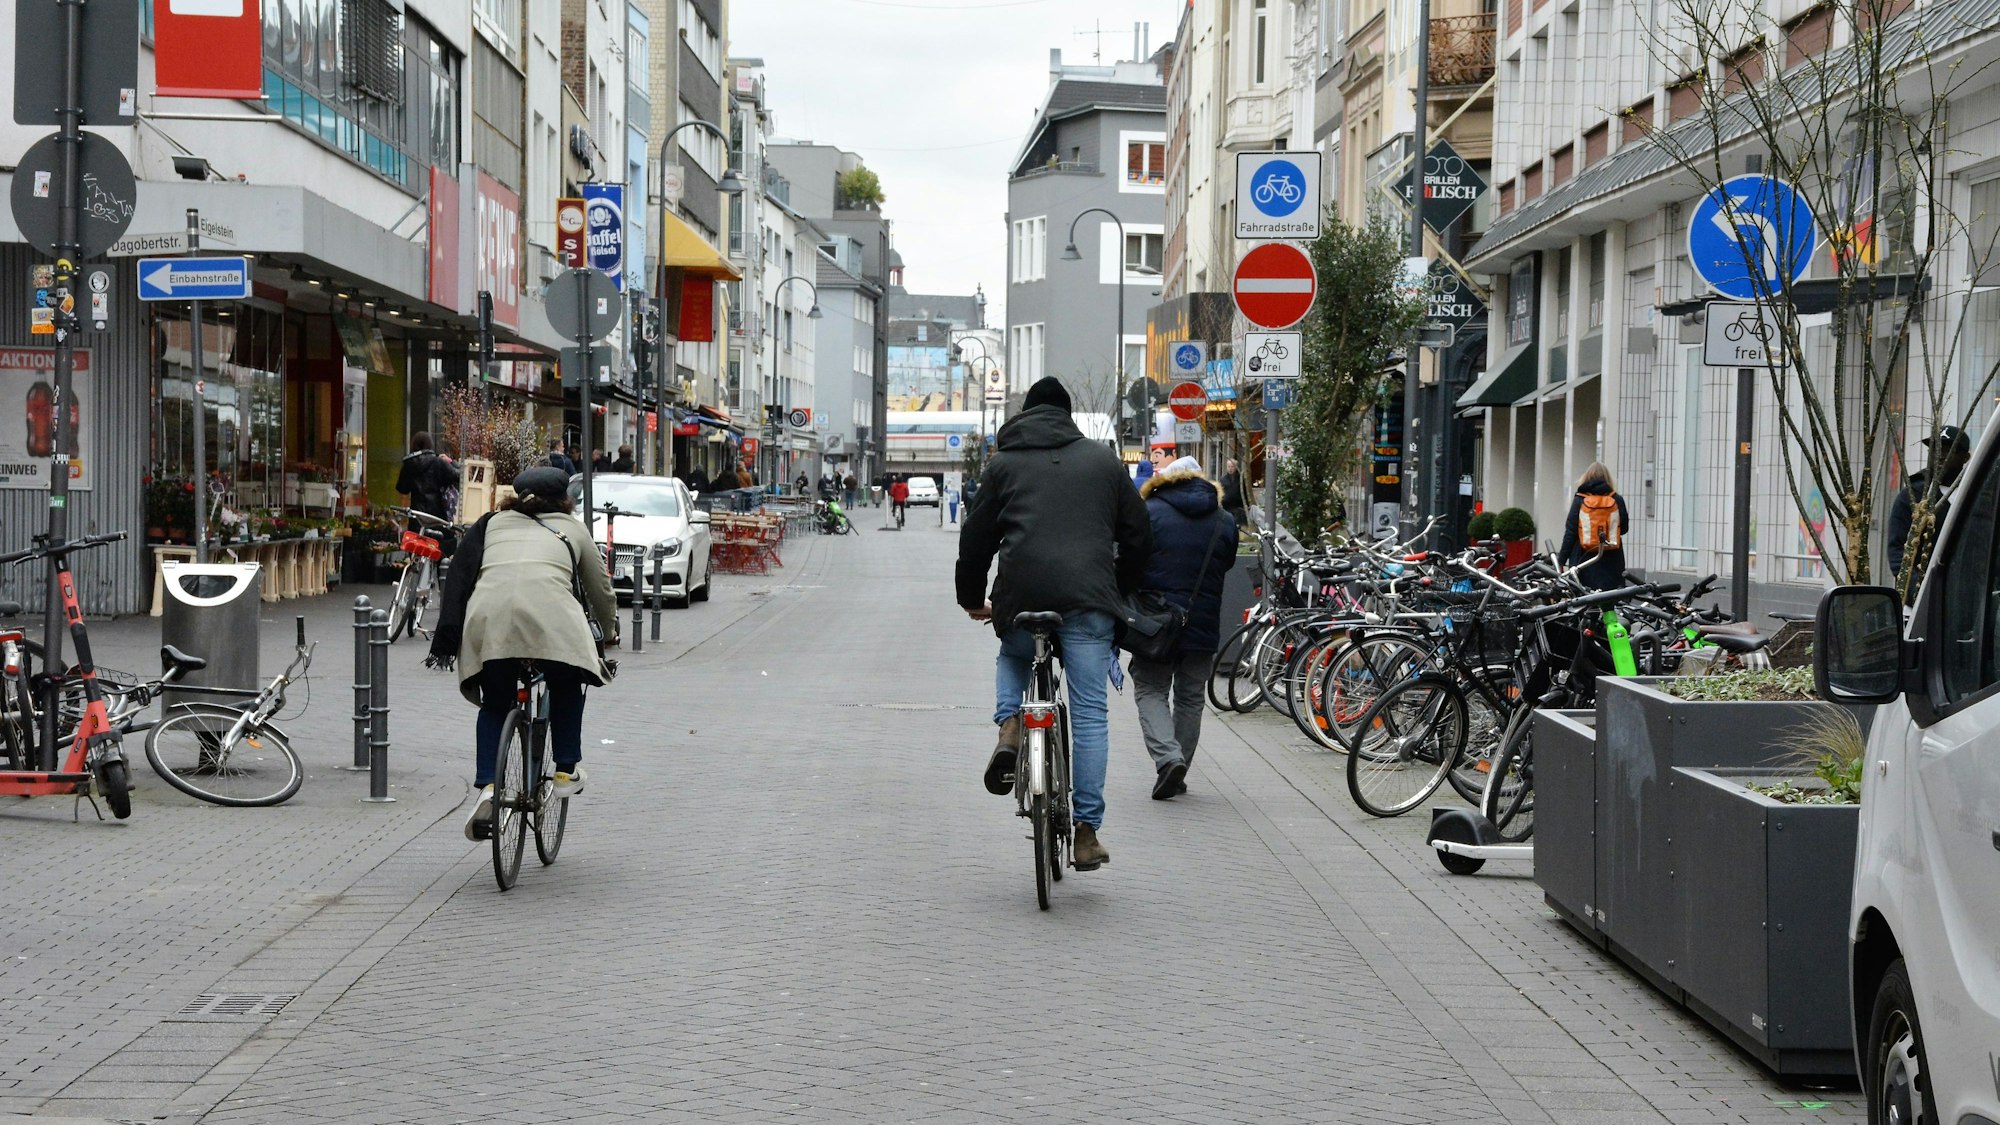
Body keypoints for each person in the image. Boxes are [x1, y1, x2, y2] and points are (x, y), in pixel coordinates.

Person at [957, 376, 1153, 871]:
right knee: (1089, 716)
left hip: (1021, 596)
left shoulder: (1003, 464)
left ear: (1026, 414)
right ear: (1067, 415)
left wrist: (970, 597)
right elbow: (1139, 535)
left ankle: (1009, 726)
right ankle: (1086, 831)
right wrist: (1117, 586)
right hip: (1088, 602)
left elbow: (976, 538)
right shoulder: (1104, 462)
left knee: (1015, 653)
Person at [428, 467, 618, 841]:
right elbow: (600, 589)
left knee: (495, 704)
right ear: (565, 499)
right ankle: (565, 770)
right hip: (553, 623)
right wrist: (609, 631)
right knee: (566, 682)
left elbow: (461, 576)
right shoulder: (573, 528)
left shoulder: (492, 524)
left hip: (490, 622)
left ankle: (487, 786)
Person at [1129, 456, 1236, 800]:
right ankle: (1177, 769)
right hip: (1202, 625)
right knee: (1191, 698)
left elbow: (1131, 559)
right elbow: (1228, 562)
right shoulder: (1225, 519)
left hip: (1156, 623)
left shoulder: (1149, 512)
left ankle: (1167, 758)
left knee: (1150, 689)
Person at [1886, 425, 1972, 600]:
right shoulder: (1912, 496)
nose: (1939, 456)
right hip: (1924, 599)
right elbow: (1898, 551)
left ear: (1965, 457)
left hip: (1970, 598)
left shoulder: (1976, 492)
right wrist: (1918, 592)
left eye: (1948, 450)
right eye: (1934, 450)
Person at [1557, 462, 1630, 591]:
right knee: (1611, 601)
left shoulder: (1580, 500)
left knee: (1584, 602)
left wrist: (1561, 561)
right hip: (1612, 561)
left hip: (1583, 560)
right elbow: (1624, 529)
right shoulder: (1617, 499)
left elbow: (1571, 532)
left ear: (1586, 477)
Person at [395, 432, 461, 524]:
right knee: (436, 538)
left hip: (417, 516)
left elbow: (402, 489)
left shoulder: (409, 464)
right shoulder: (438, 463)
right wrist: (451, 462)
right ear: (430, 445)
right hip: (437, 516)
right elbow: (459, 476)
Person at [1220, 457, 1247, 531]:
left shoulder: (1241, 479)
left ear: (1236, 467)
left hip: (1238, 507)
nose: (1230, 469)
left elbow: (1244, 493)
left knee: (1238, 525)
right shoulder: (1223, 479)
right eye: (1229, 467)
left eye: (1232, 466)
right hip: (1227, 507)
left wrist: (1246, 505)